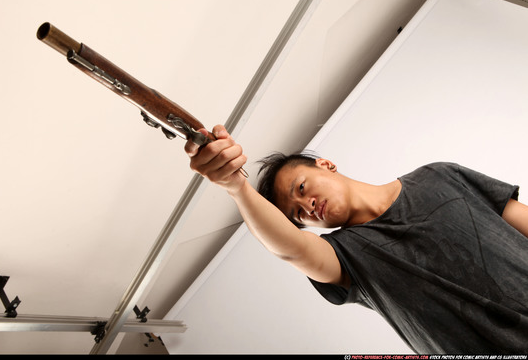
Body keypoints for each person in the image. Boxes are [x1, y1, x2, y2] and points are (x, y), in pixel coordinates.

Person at [184, 124, 528, 354]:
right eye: (298, 214)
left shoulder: (438, 174)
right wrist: (235, 187)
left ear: (326, 165)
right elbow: (292, 249)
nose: (307, 206)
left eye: (301, 189)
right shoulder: (345, 258)